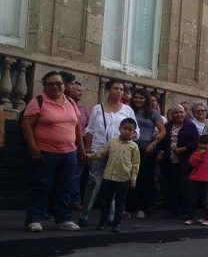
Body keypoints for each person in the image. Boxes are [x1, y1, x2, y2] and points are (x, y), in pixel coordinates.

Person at [21, 71, 85, 232]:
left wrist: (81, 150)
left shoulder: (70, 102)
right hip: (45, 152)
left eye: (59, 83)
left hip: (69, 153)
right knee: (41, 186)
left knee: (64, 187)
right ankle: (34, 219)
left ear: (64, 85)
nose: (55, 86)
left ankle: (63, 219)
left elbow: (77, 127)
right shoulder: (39, 101)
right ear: (45, 86)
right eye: (51, 84)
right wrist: (32, 147)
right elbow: (26, 125)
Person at [79, 79, 139, 227]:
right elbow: (90, 130)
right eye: (116, 88)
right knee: (94, 183)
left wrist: (128, 138)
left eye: (121, 89)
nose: (119, 91)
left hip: (118, 152)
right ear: (108, 90)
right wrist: (87, 148)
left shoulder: (127, 110)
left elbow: (136, 131)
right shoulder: (98, 108)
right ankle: (85, 214)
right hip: (99, 149)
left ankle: (111, 218)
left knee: (115, 183)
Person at [86, 118, 139, 232]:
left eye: (130, 129)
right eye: (125, 128)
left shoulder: (134, 146)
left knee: (120, 203)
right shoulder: (112, 142)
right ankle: (102, 222)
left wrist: (133, 178)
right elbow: (101, 153)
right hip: (109, 177)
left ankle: (117, 224)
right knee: (106, 201)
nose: (127, 131)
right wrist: (88, 156)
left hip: (123, 178)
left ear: (134, 133)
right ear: (120, 129)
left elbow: (135, 163)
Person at [125, 89, 165, 219]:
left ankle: (141, 207)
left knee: (143, 178)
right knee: (129, 177)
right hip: (130, 148)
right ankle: (128, 207)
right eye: (136, 97)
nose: (138, 100)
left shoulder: (153, 113)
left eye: (141, 98)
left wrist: (153, 144)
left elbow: (162, 131)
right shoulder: (129, 111)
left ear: (146, 99)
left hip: (146, 150)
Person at [159, 104, 199, 219]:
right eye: (176, 112)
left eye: (181, 112)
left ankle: (186, 211)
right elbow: (162, 141)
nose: (179, 115)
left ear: (185, 113)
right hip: (170, 161)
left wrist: (183, 149)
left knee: (185, 187)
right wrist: (161, 151)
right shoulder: (168, 126)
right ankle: (173, 210)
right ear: (172, 115)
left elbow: (195, 142)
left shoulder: (190, 126)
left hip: (185, 162)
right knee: (172, 186)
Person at [64, 79, 89, 210]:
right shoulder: (63, 104)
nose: (78, 92)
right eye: (75, 89)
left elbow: (87, 128)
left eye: (80, 90)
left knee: (77, 175)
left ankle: (74, 200)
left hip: (79, 146)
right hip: (65, 145)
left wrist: (85, 147)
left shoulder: (83, 109)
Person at [184, 134, 208, 226]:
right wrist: (199, 156)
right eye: (201, 144)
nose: (203, 146)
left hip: (206, 180)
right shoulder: (195, 153)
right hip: (194, 179)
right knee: (192, 199)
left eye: (205, 144)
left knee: (205, 200)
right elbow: (191, 163)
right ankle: (191, 217)